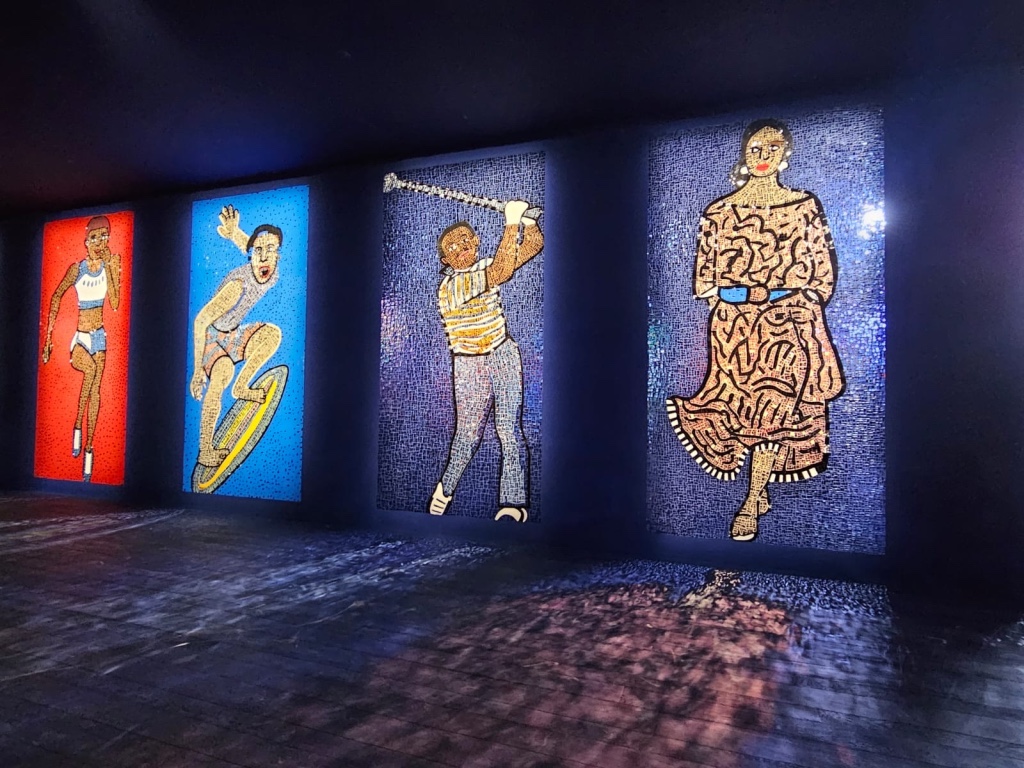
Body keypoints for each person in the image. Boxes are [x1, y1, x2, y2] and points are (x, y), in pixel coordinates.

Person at [666, 119, 845, 541]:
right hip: (734, 327)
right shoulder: (719, 212)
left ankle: (750, 501)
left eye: (772, 148)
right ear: (744, 155)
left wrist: (797, 303)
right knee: (738, 408)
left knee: (773, 405)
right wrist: (732, 303)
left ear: (786, 154)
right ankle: (758, 488)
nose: (763, 157)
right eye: (755, 149)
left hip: (787, 323)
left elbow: (821, 272)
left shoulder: (804, 206)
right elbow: (704, 279)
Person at [428, 199, 543, 522]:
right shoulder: (452, 286)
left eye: (466, 238)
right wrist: (511, 221)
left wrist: (529, 223)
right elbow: (502, 271)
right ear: (446, 259)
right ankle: (445, 491)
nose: (462, 246)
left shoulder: (486, 266)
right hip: (470, 365)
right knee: (467, 437)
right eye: (453, 245)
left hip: (503, 353)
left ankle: (513, 504)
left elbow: (533, 247)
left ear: (477, 241)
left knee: (509, 430)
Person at [189, 205, 283, 468]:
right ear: (251, 257)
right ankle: (205, 450)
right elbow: (200, 321)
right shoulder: (236, 288)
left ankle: (241, 387)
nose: (264, 256)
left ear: (277, 254)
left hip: (234, 333)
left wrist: (234, 233)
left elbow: (249, 245)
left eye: (271, 250)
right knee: (222, 373)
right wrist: (197, 370)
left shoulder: (271, 272)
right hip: (213, 338)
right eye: (259, 252)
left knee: (272, 335)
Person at [42, 215, 122, 483]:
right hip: (80, 337)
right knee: (89, 372)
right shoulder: (77, 269)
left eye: (104, 236)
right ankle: (77, 423)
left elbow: (114, 303)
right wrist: (48, 338)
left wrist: (111, 269)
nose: (100, 242)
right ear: (86, 241)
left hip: (100, 336)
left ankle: (89, 447)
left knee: (95, 390)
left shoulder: (112, 264)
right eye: (95, 237)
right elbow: (56, 296)